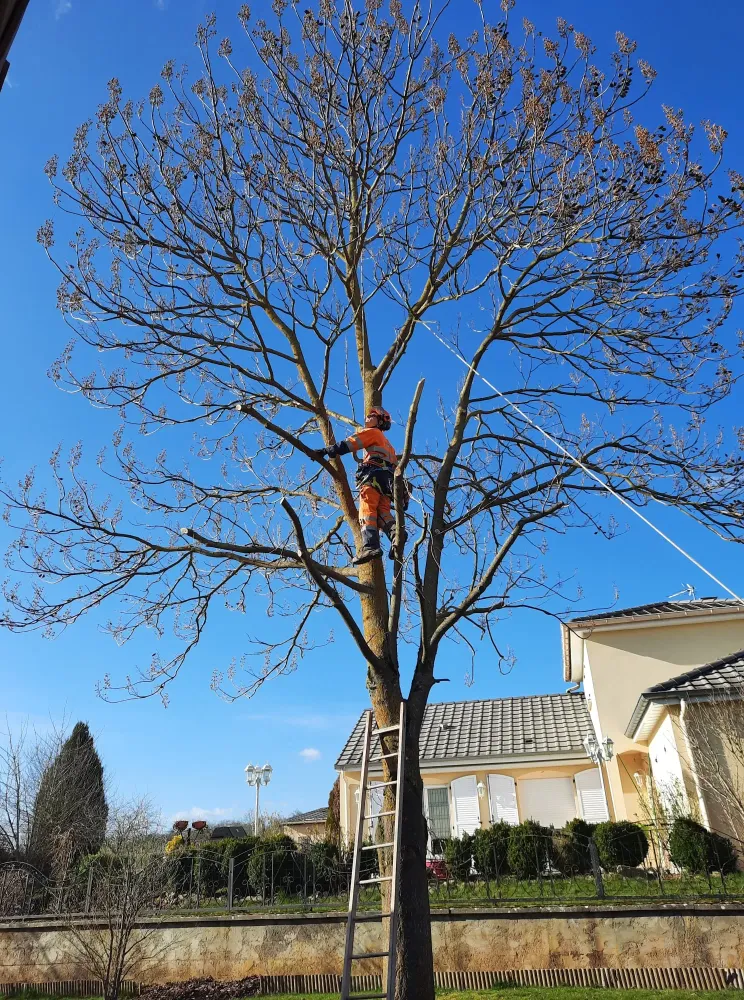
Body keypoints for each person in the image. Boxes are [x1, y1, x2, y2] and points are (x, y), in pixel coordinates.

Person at [314, 406, 406, 566]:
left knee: (367, 508)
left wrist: (328, 450)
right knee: (383, 512)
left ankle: (370, 546)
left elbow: (351, 442)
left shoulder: (374, 433)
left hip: (373, 475)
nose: (367, 417)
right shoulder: (389, 446)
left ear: (380, 420)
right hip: (388, 482)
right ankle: (397, 534)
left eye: (372, 415)